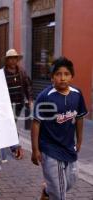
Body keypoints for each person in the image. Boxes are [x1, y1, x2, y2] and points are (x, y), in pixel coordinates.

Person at [31, 57, 87, 200]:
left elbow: (80, 117)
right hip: (50, 148)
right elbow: (36, 123)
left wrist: (79, 140)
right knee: (60, 191)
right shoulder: (45, 96)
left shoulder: (77, 94)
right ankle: (53, 192)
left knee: (71, 179)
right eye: (58, 74)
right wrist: (35, 150)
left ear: (72, 76)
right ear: (52, 77)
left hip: (68, 146)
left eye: (66, 74)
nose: (63, 78)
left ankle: (48, 192)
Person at [0, 49, 33, 161]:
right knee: (11, 125)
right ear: (7, 60)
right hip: (6, 105)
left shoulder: (22, 71)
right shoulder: (2, 73)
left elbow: (28, 86)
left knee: (11, 124)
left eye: (15, 58)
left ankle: (11, 146)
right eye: (11, 59)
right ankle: (14, 147)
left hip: (19, 104)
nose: (13, 61)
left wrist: (30, 100)